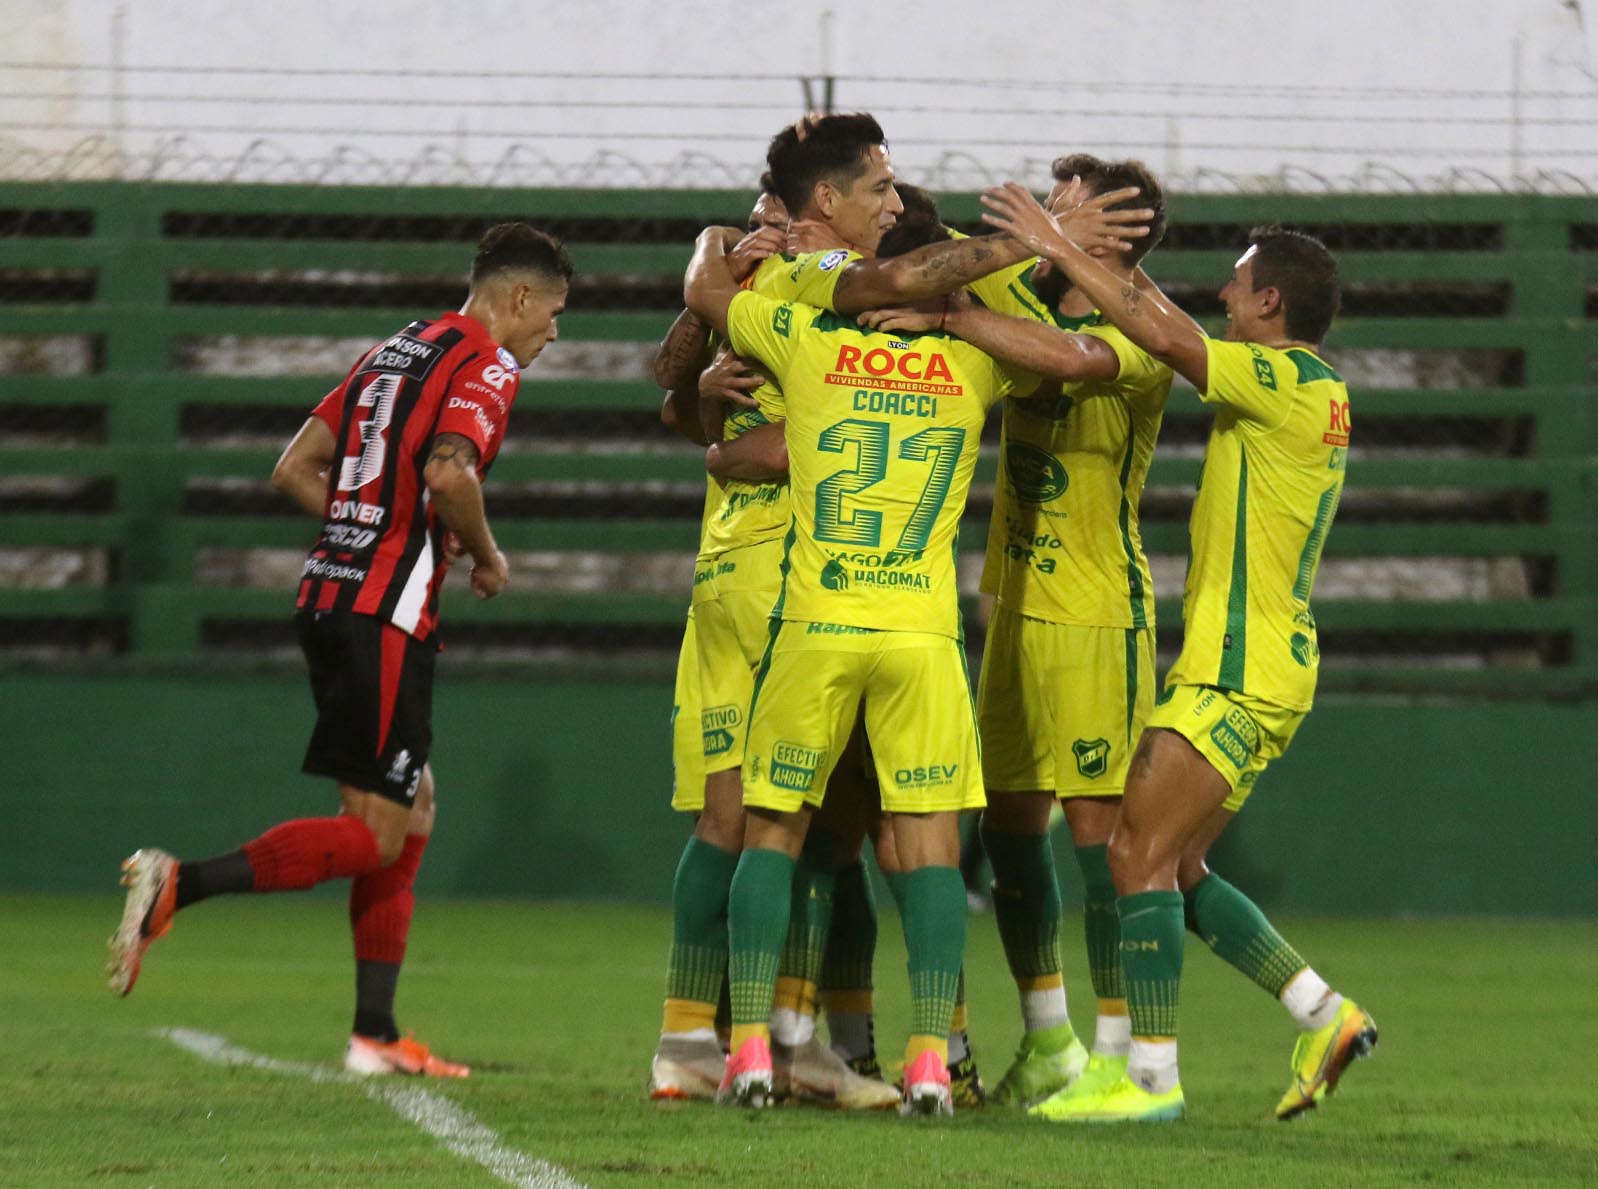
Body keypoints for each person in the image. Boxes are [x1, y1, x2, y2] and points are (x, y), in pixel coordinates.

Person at [681, 187, 1147, 1116]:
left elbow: (710, 298)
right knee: (930, 849)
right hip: (922, 635)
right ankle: (933, 1058)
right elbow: (1066, 360)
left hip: (816, 624)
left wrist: (726, 253)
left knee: (774, 832)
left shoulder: (808, 342)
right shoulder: (976, 363)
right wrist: (989, 291)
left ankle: (749, 1054)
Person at [106, 223, 572, 1078]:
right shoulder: (487, 363)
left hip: (328, 592)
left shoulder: (395, 348)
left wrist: (373, 530)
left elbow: (294, 466)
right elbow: (451, 473)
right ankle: (180, 883)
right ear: (517, 297)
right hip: (383, 613)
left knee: (412, 806)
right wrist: (486, 554)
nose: (554, 330)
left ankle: (375, 1032)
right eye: (553, 311)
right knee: (377, 834)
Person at [980, 183, 1376, 1122]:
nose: (1222, 293)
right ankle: (1321, 1010)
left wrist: (1056, 245)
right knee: (1178, 866)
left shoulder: (1282, 378)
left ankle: (1149, 1078)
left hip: (1238, 668)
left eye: (1237, 282)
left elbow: (1166, 339)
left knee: (1133, 851)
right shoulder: (1309, 388)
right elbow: (1164, 320)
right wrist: (1115, 256)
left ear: (1270, 301)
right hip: (1261, 663)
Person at [870, 156, 1175, 1111]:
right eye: (1050, 204)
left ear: (1118, 230)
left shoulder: (1146, 323)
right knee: (1007, 831)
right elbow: (931, 258)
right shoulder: (1019, 285)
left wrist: (956, 318)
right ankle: (1050, 1039)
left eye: (1070, 206)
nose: (1050, 216)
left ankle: (1123, 1054)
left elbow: (1074, 359)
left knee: (1099, 839)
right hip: (1012, 601)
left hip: (1096, 611)